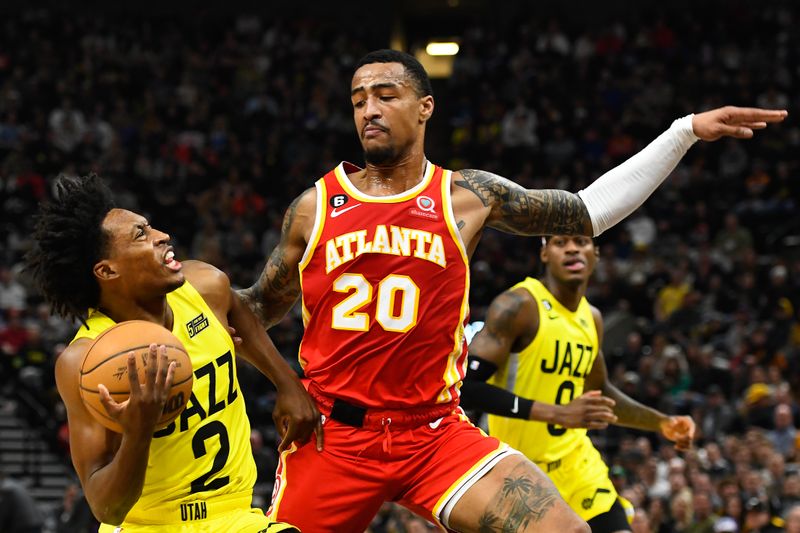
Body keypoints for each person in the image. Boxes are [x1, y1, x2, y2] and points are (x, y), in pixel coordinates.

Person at [239, 49, 785, 532]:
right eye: (358, 100)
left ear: (425, 107)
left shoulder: (466, 196)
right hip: (336, 437)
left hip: (434, 432)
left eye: (386, 95)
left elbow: (588, 211)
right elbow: (256, 310)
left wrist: (684, 130)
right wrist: (284, 382)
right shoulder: (315, 207)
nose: (369, 110)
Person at [24, 175, 320, 532]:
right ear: (107, 270)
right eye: (140, 235)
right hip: (147, 526)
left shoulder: (206, 287)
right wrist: (138, 430)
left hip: (235, 517)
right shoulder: (84, 362)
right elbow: (107, 507)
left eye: (149, 227)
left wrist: (287, 384)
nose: (161, 236)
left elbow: (249, 325)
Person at [462, 235, 695, 532]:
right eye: (560, 242)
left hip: (578, 467)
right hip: (521, 473)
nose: (572, 248)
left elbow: (601, 393)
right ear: (544, 253)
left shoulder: (592, 318)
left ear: (595, 253)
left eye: (581, 241)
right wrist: (556, 413)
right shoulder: (519, 305)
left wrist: (662, 423)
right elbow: (466, 388)